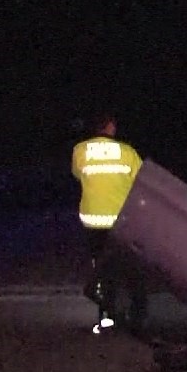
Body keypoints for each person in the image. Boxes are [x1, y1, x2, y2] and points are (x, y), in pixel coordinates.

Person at [72, 114, 146, 333]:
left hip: (93, 222)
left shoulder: (80, 151)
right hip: (121, 221)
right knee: (130, 266)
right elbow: (141, 180)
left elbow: (79, 176)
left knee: (101, 267)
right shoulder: (128, 152)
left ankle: (105, 314)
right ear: (111, 127)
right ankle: (136, 314)